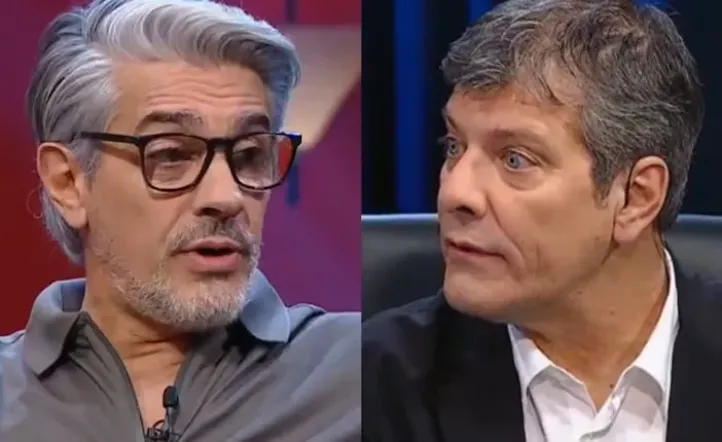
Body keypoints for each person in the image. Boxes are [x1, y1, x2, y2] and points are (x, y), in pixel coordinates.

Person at [0, 0, 360, 440]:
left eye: (249, 155)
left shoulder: (363, 374)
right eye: (171, 154)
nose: (226, 197)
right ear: (68, 182)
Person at [363, 1, 720, 441]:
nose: (455, 193)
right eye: (454, 146)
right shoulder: (378, 387)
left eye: (515, 159)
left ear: (635, 197)